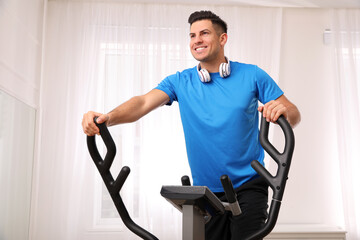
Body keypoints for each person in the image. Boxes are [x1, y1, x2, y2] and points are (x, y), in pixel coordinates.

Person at [82, 10, 301, 240]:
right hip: (205, 192)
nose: (197, 40)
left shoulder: (252, 75)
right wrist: (108, 117)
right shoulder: (180, 81)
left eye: (204, 33)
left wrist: (283, 111)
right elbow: (143, 102)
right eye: (192, 35)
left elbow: (293, 114)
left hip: (249, 185)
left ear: (222, 38)